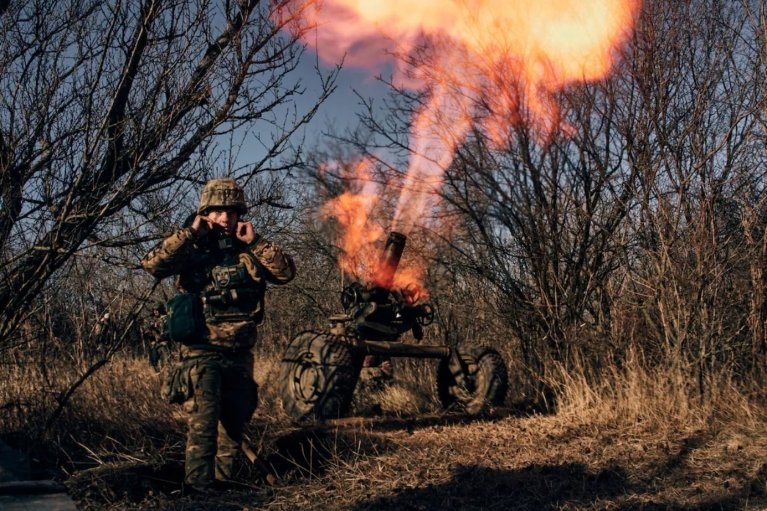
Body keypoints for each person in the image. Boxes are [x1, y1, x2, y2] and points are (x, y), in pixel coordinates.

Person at [141, 178, 296, 492]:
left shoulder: (249, 249)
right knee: (204, 422)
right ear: (205, 214)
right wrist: (189, 234)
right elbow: (152, 264)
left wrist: (257, 242)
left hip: (240, 352)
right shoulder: (191, 248)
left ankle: (224, 487)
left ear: (240, 214)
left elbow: (285, 273)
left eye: (231, 211)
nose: (225, 218)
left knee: (234, 425)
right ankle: (197, 488)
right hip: (201, 351)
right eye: (217, 211)